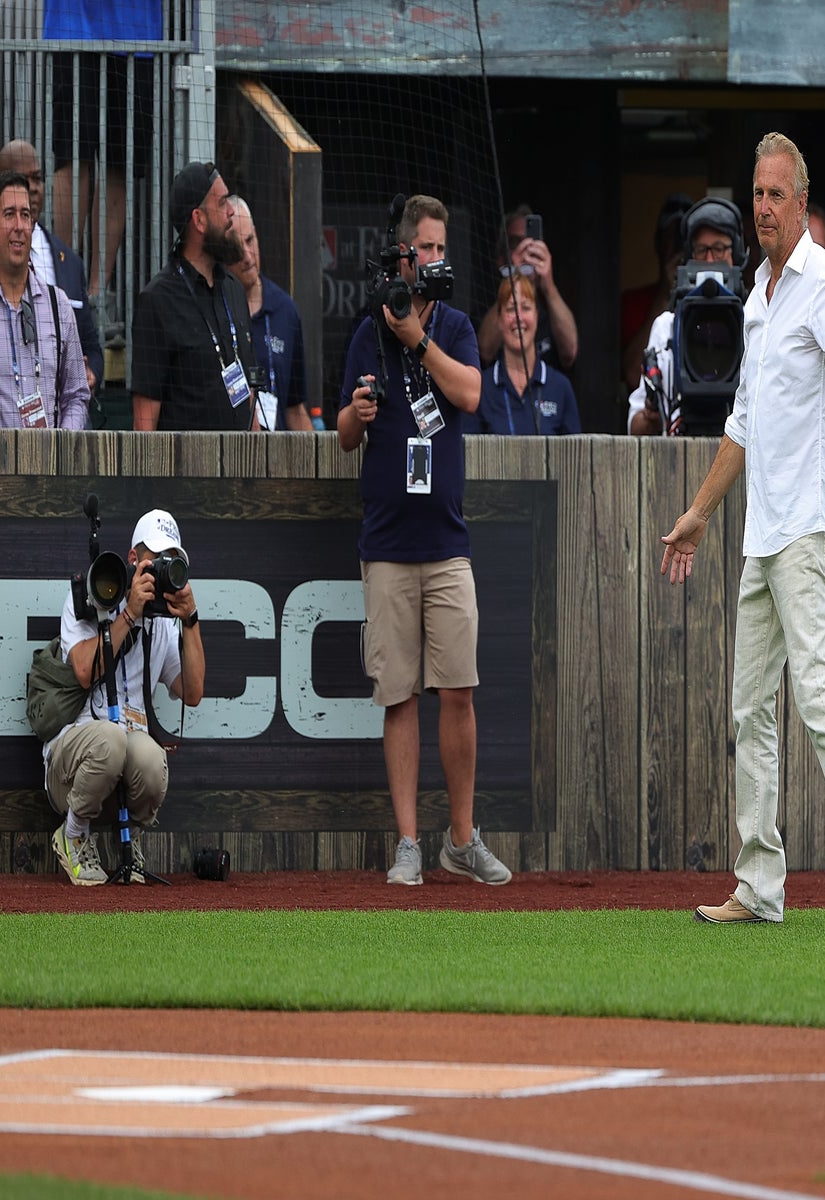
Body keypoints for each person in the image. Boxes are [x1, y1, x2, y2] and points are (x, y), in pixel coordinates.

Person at [660, 132, 825, 931]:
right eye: (757, 194)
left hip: (805, 525)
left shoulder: (823, 281)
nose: (763, 207)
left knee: (813, 693)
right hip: (758, 535)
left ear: (802, 203)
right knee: (749, 711)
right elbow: (741, 423)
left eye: (776, 195)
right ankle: (760, 886)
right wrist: (699, 515)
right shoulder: (757, 299)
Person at [338, 193, 512, 888]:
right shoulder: (364, 333)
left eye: (444, 249)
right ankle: (409, 841)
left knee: (460, 690)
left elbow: (471, 394)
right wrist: (353, 413)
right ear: (403, 255)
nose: (436, 260)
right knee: (400, 696)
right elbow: (347, 437)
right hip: (385, 543)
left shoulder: (459, 327)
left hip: (446, 542)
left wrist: (419, 341)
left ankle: (461, 839)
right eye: (427, 249)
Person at [47, 509, 204, 886]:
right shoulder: (93, 595)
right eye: (155, 561)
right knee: (113, 737)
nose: (163, 571)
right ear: (133, 561)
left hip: (121, 759)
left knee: (150, 757)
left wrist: (191, 619)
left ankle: (128, 838)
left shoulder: (165, 623)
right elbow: (84, 672)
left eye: (172, 562)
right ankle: (72, 835)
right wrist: (129, 613)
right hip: (70, 767)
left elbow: (193, 692)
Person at [44, 0, 161, 305]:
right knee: (72, 155)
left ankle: (96, 299)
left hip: (136, 27)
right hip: (73, 22)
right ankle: (63, 290)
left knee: (119, 163)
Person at [131, 162, 259, 431]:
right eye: (222, 202)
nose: (231, 211)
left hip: (241, 468)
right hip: (186, 470)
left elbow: (249, 399)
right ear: (199, 220)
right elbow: (144, 424)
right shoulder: (157, 301)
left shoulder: (234, 290)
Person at [625, 195, 748, 437]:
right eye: (702, 250)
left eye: (720, 249)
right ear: (689, 257)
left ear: (737, 254)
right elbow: (634, 426)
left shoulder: (755, 321)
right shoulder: (666, 326)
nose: (710, 261)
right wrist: (652, 416)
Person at [0, 140, 102, 397]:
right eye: (23, 179)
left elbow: (92, 346)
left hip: (64, 419)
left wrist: (91, 374)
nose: (32, 188)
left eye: (37, 178)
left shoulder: (70, 263)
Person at [0, 171, 89, 429]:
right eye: (9, 214)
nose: (19, 226)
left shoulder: (59, 307)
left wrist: (62, 446)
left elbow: (77, 394)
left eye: (26, 215)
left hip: (49, 466)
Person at [226, 195, 314, 432]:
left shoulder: (285, 310)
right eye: (236, 248)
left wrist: (316, 462)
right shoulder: (216, 310)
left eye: (250, 240)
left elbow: (295, 408)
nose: (247, 256)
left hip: (278, 457)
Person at [465, 272, 581, 435]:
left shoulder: (561, 387)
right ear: (498, 319)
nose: (518, 317)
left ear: (537, 316)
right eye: (511, 309)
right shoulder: (481, 388)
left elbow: (575, 454)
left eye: (526, 308)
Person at [476, 204, 578, 371]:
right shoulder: (487, 308)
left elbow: (570, 353)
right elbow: (485, 350)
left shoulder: (549, 310)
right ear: (501, 259)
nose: (526, 252)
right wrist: (514, 275)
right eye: (517, 243)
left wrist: (548, 283)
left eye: (532, 243)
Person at [621, 192, 693, 388]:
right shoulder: (633, 302)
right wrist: (665, 295)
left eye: (684, 238)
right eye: (672, 236)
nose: (678, 246)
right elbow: (633, 376)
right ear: (658, 243)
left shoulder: (713, 300)